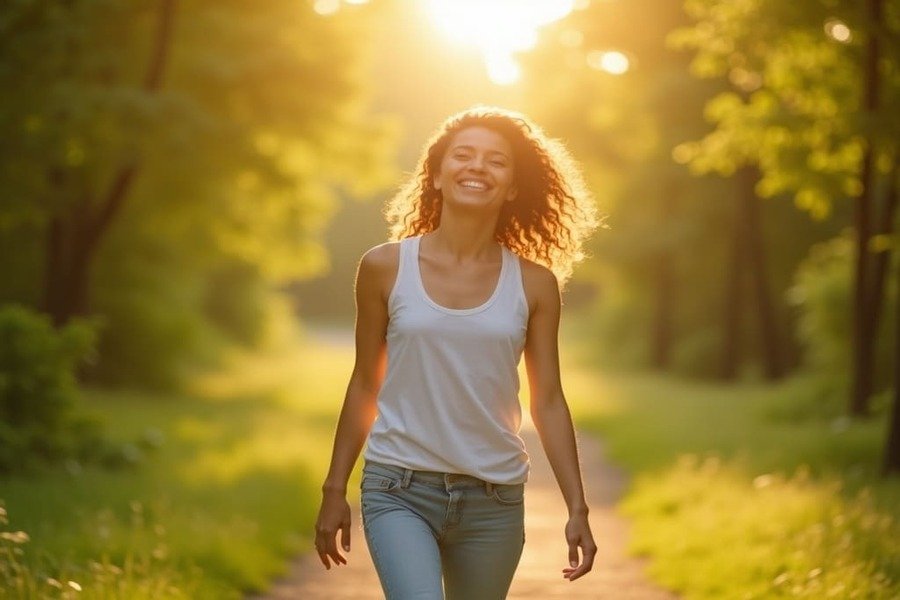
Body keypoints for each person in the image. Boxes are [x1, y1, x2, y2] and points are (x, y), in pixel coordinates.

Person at [314, 106, 600, 599]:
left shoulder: (535, 284)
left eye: (496, 161)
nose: (477, 167)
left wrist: (578, 506)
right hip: (398, 488)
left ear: (512, 187)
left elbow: (548, 399)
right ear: (438, 175)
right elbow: (366, 381)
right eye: (463, 155)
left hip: (494, 499)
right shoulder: (384, 267)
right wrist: (334, 488)